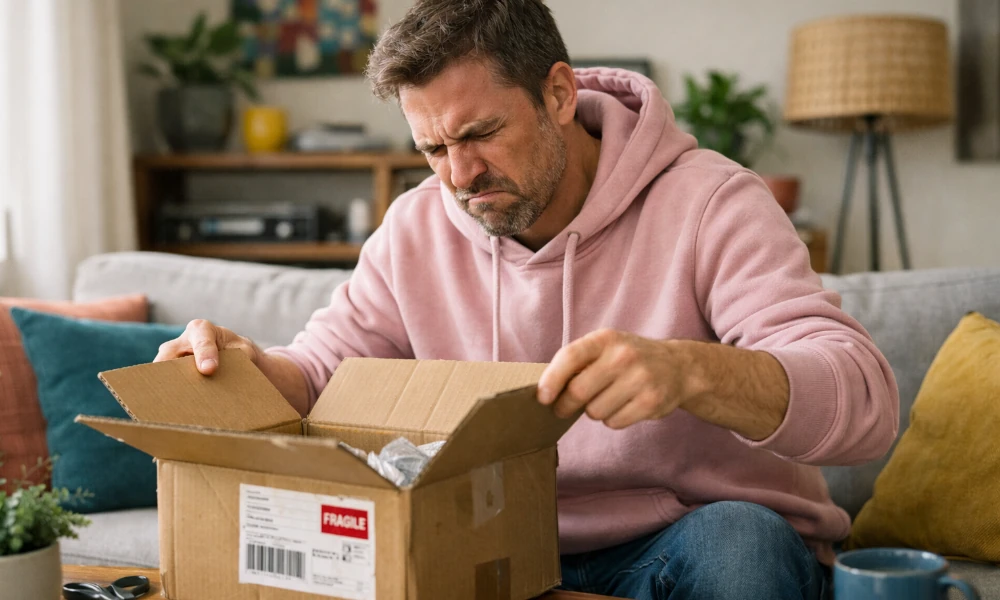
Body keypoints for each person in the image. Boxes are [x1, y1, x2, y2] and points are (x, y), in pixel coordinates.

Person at [155, 1, 899, 598]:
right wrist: (243, 368)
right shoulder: (416, 225)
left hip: (686, 538)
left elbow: (864, 403)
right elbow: (319, 374)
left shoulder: (712, 203)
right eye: (433, 149)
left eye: (481, 133)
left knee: (741, 544)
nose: (459, 174)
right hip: (491, 539)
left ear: (560, 93)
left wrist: (692, 372)